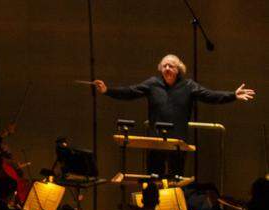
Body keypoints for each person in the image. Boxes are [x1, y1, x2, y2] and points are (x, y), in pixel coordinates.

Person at [94, 54, 254, 176]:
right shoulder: (152, 84)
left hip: (177, 142)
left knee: (175, 178)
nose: (167, 69)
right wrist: (108, 90)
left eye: (171, 66)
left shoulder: (188, 86)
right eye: (164, 66)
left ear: (178, 70)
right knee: (153, 177)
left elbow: (210, 95)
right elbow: (130, 92)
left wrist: (233, 95)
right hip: (155, 141)